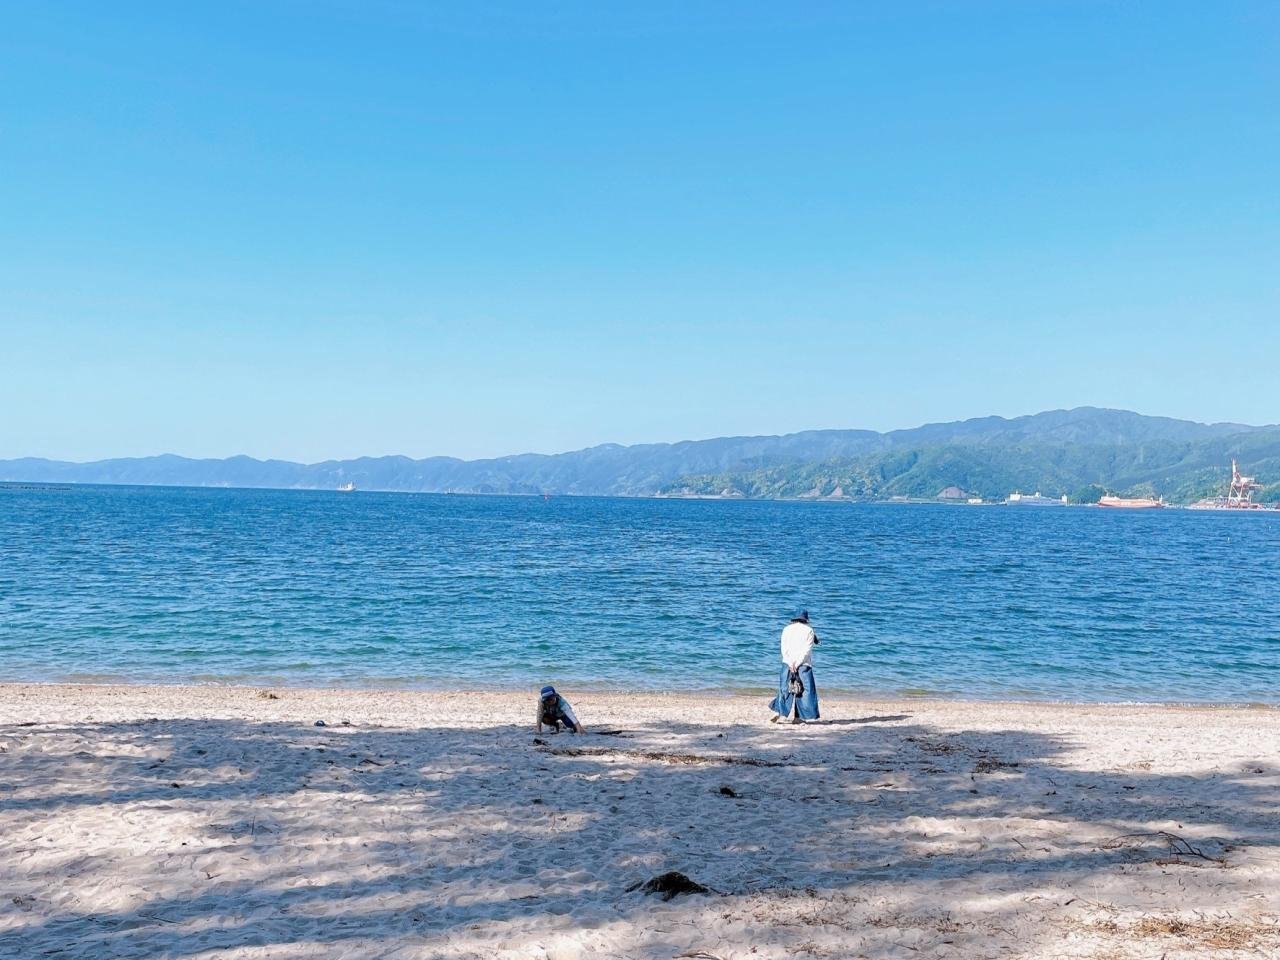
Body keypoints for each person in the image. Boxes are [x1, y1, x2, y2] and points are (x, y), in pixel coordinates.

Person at [769, 610, 820, 723]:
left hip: (787, 662)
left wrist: (790, 662)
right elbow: (806, 650)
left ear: (793, 619)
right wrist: (797, 664)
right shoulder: (809, 630)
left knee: (785, 688)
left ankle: (782, 714)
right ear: (806, 619)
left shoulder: (786, 629)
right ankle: (799, 717)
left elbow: (784, 648)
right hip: (803, 664)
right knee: (804, 690)